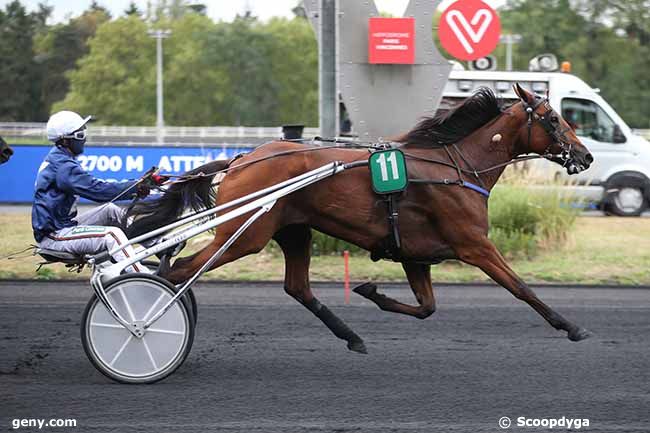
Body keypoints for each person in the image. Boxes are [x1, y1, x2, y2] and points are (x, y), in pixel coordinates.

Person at [32, 111, 165, 273]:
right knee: (112, 235)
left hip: (64, 226)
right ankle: (145, 279)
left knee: (111, 211)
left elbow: (101, 188)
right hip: (54, 236)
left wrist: (138, 183)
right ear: (66, 140)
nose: (85, 138)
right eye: (81, 134)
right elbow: (98, 190)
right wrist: (136, 186)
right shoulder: (63, 166)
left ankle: (159, 245)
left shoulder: (60, 160)